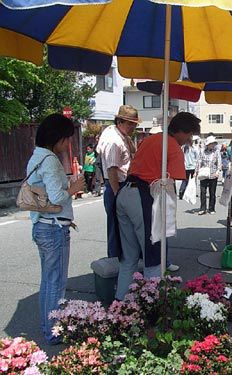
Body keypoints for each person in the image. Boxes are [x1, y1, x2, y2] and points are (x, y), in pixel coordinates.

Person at [115, 112, 201, 300]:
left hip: (125, 194)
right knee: (153, 255)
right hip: (141, 197)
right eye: (189, 135)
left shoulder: (150, 139)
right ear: (182, 131)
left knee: (128, 258)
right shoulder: (173, 147)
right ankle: (151, 305)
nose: (189, 139)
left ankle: (120, 303)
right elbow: (174, 179)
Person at [27, 114, 85, 344]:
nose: (68, 143)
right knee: (56, 282)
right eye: (67, 139)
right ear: (57, 137)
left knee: (48, 280)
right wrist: (74, 187)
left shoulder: (37, 156)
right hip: (53, 229)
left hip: (42, 226)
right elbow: (57, 198)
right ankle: (53, 331)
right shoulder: (50, 160)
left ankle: (47, 326)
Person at [97, 105, 138, 258]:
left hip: (122, 184)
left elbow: (133, 153)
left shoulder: (120, 135)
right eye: (130, 123)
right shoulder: (113, 140)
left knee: (123, 225)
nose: (133, 126)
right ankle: (115, 258)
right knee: (116, 225)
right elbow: (111, 170)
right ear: (120, 121)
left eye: (134, 123)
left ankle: (122, 257)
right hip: (117, 185)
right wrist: (117, 193)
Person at [197, 135, 222, 215]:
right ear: (208, 144)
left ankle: (211, 208)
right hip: (204, 173)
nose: (213, 145)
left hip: (213, 174)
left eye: (213, 143)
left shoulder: (216, 151)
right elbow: (199, 161)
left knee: (212, 192)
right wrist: (196, 171)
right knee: (203, 191)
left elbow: (219, 162)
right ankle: (203, 208)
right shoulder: (202, 151)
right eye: (211, 143)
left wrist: (218, 171)